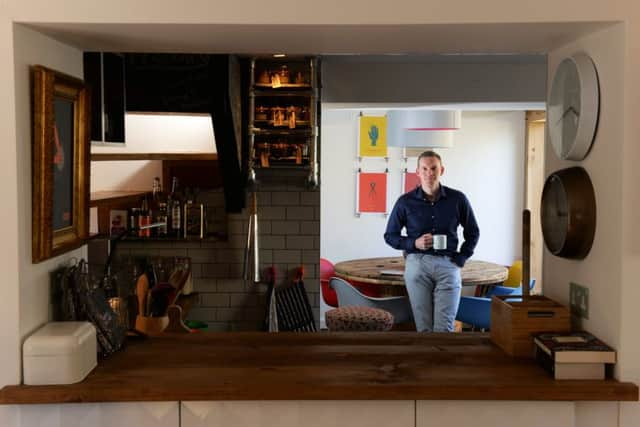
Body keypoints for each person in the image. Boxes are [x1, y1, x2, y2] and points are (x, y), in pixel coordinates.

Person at [384, 150, 479, 332]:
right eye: (424, 169)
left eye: (433, 168)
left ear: (441, 170)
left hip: (448, 264)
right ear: (417, 172)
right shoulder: (405, 202)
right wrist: (414, 243)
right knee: (424, 328)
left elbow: (473, 231)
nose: (429, 173)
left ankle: (442, 360)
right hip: (417, 264)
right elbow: (390, 235)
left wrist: (462, 258)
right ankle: (426, 360)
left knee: (445, 328)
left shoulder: (458, 199)